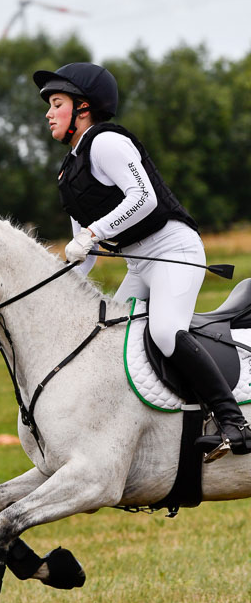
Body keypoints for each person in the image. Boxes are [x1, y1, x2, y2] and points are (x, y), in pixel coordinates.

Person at [33, 61, 251, 457]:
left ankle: (233, 423)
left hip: (173, 251)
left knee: (166, 332)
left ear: (84, 108)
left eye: (57, 103)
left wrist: (94, 234)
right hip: (139, 263)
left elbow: (143, 197)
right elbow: (83, 252)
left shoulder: (106, 143)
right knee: (108, 338)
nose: (48, 112)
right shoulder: (69, 172)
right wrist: (64, 281)